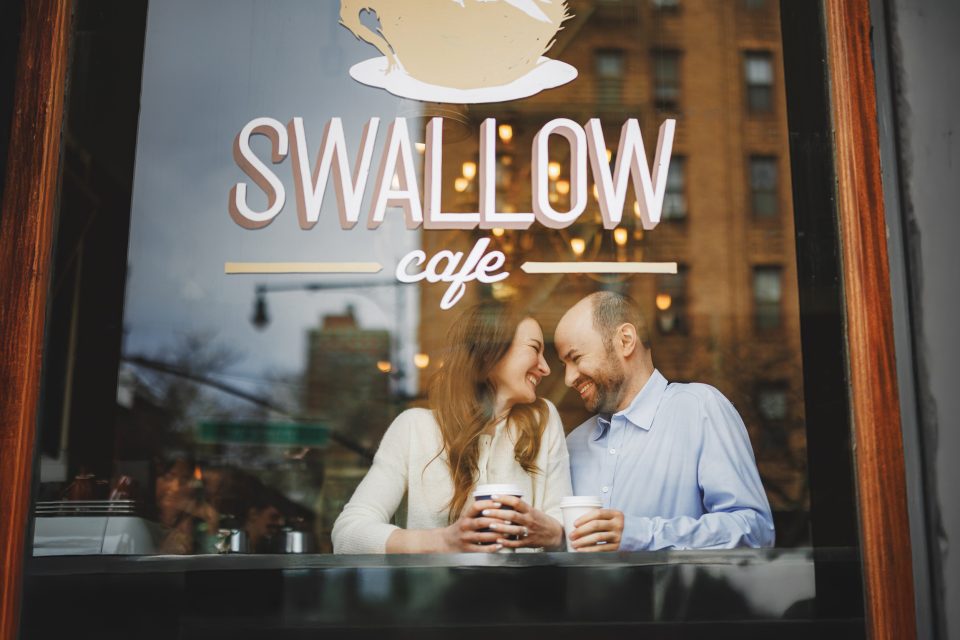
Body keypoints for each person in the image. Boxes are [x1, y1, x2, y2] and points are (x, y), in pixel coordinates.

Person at [333, 302, 571, 553]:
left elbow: (563, 527)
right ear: (490, 353)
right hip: (433, 592)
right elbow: (348, 535)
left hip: (521, 591)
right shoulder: (413, 428)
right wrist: (445, 541)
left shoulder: (542, 420)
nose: (545, 368)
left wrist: (556, 533)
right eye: (535, 349)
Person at [554, 291, 775, 551]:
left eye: (576, 358)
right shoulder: (573, 443)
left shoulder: (699, 409)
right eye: (563, 364)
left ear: (625, 340)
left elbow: (755, 531)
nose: (568, 379)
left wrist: (641, 535)